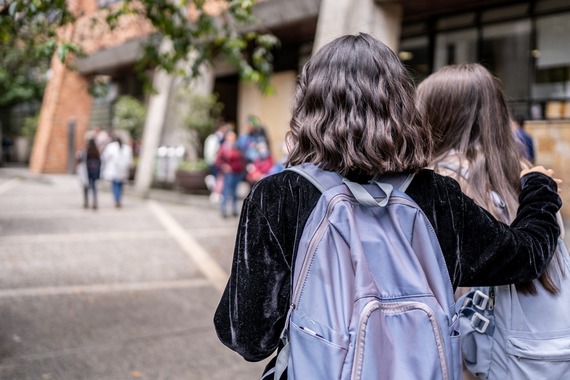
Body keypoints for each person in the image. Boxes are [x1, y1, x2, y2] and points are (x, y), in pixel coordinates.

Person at [213, 33, 561, 377]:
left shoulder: (278, 197)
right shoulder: (438, 196)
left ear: (308, 107)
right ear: (401, 103)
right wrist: (538, 186)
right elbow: (526, 255)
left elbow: (247, 338)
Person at [417, 63, 566, 379]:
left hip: (471, 359)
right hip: (539, 353)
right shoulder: (533, 179)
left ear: (433, 118)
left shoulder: (438, 188)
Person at [215, 130, 245, 218]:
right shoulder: (223, 147)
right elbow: (218, 161)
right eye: (231, 136)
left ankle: (234, 209)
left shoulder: (237, 147)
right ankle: (224, 209)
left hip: (237, 172)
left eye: (234, 136)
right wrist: (224, 166)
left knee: (235, 192)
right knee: (226, 191)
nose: (232, 138)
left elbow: (241, 159)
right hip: (229, 173)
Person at [101, 134, 132, 208]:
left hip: (114, 170)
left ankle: (117, 199)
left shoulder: (111, 147)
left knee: (115, 185)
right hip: (122, 170)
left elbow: (105, 157)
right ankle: (118, 199)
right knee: (120, 185)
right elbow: (129, 160)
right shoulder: (126, 148)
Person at [76, 138, 101, 210]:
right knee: (94, 187)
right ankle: (94, 201)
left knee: (86, 187)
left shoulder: (85, 151)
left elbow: (80, 160)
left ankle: (86, 202)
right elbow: (99, 162)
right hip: (94, 172)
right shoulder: (96, 151)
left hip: (87, 172)